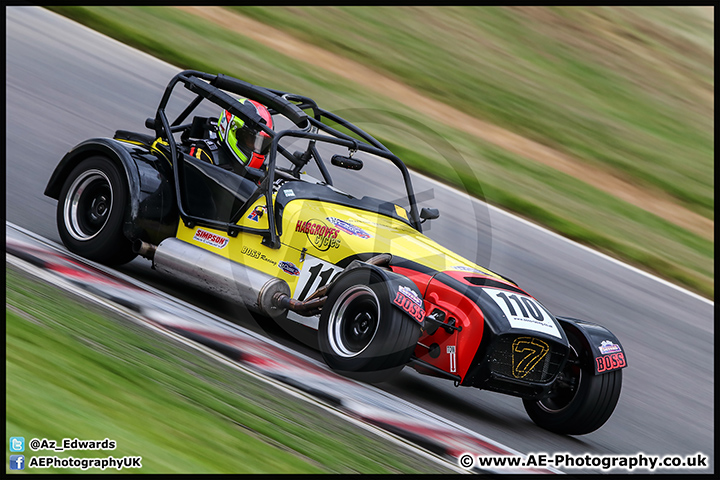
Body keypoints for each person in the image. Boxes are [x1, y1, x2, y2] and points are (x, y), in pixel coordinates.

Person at [187, 98, 274, 177]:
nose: (257, 147)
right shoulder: (204, 155)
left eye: (263, 143)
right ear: (233, 131)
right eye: (252, 140)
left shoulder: (263, 172)